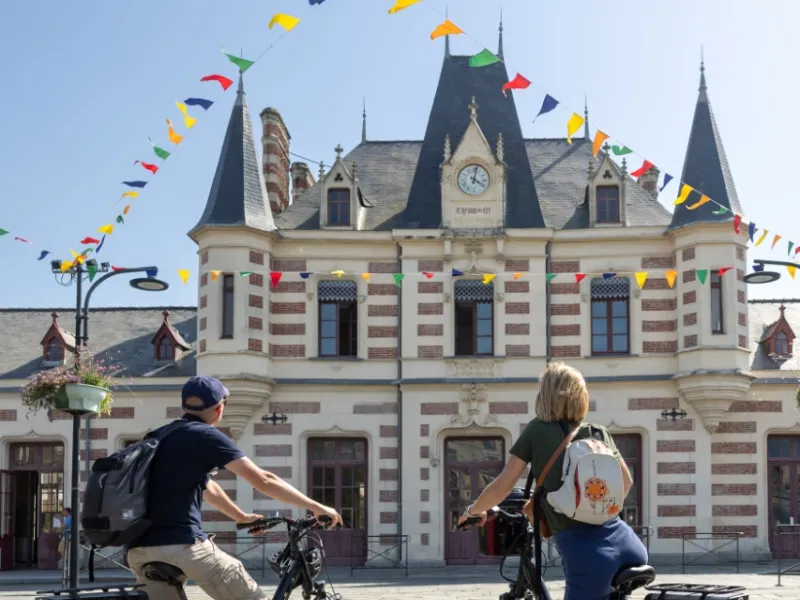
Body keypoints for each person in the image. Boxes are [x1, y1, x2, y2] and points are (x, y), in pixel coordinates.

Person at [126, 376, 343, 600]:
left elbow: (208, 487)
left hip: (139, 551)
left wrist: (241, 516)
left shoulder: (158, 437)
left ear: (184, 405)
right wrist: (317, 507)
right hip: (182, 545)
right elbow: (264, 480)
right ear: (219, 408)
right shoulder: (205, 435)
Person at [457, 361, 647, 600]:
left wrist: (473, 510)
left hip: (588, 553)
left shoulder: (538, 430)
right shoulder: (598, 432)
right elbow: (626, 483)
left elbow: (503, 485)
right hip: (627, 542)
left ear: (545, 395)